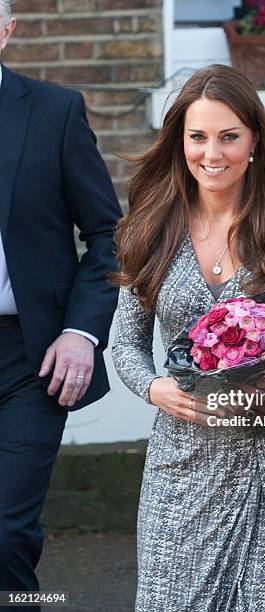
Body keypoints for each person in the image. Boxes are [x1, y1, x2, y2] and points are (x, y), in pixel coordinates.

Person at [112, 64, 265, 611]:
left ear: (254, 141)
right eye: (198, 137)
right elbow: (124, 343)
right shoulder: (146, 232)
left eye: (228, 136)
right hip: (181, 468)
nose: (211, 154)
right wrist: (154, 389)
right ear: (179, 143)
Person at [0, 3, 122, 607]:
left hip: (32, 353)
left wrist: (81, 331)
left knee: (6, 530)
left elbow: (107, 235)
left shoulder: (55, 111)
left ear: (6, 29)